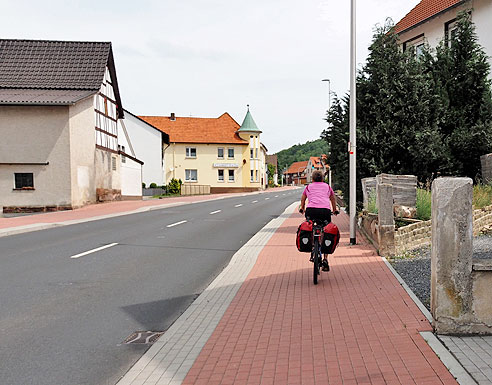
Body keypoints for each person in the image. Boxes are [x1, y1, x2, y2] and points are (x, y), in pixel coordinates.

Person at [298, 170, 339, 271]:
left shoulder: (308, 187)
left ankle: (312, 245)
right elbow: (332, 198)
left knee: (310, 226)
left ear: (312, 179)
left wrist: (302, 208)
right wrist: (334, 210)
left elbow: (303, 198)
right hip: (325, 211)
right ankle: (325, 259)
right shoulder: (327, 187)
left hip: (311, 211)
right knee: (327, 230)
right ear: (322, 179)